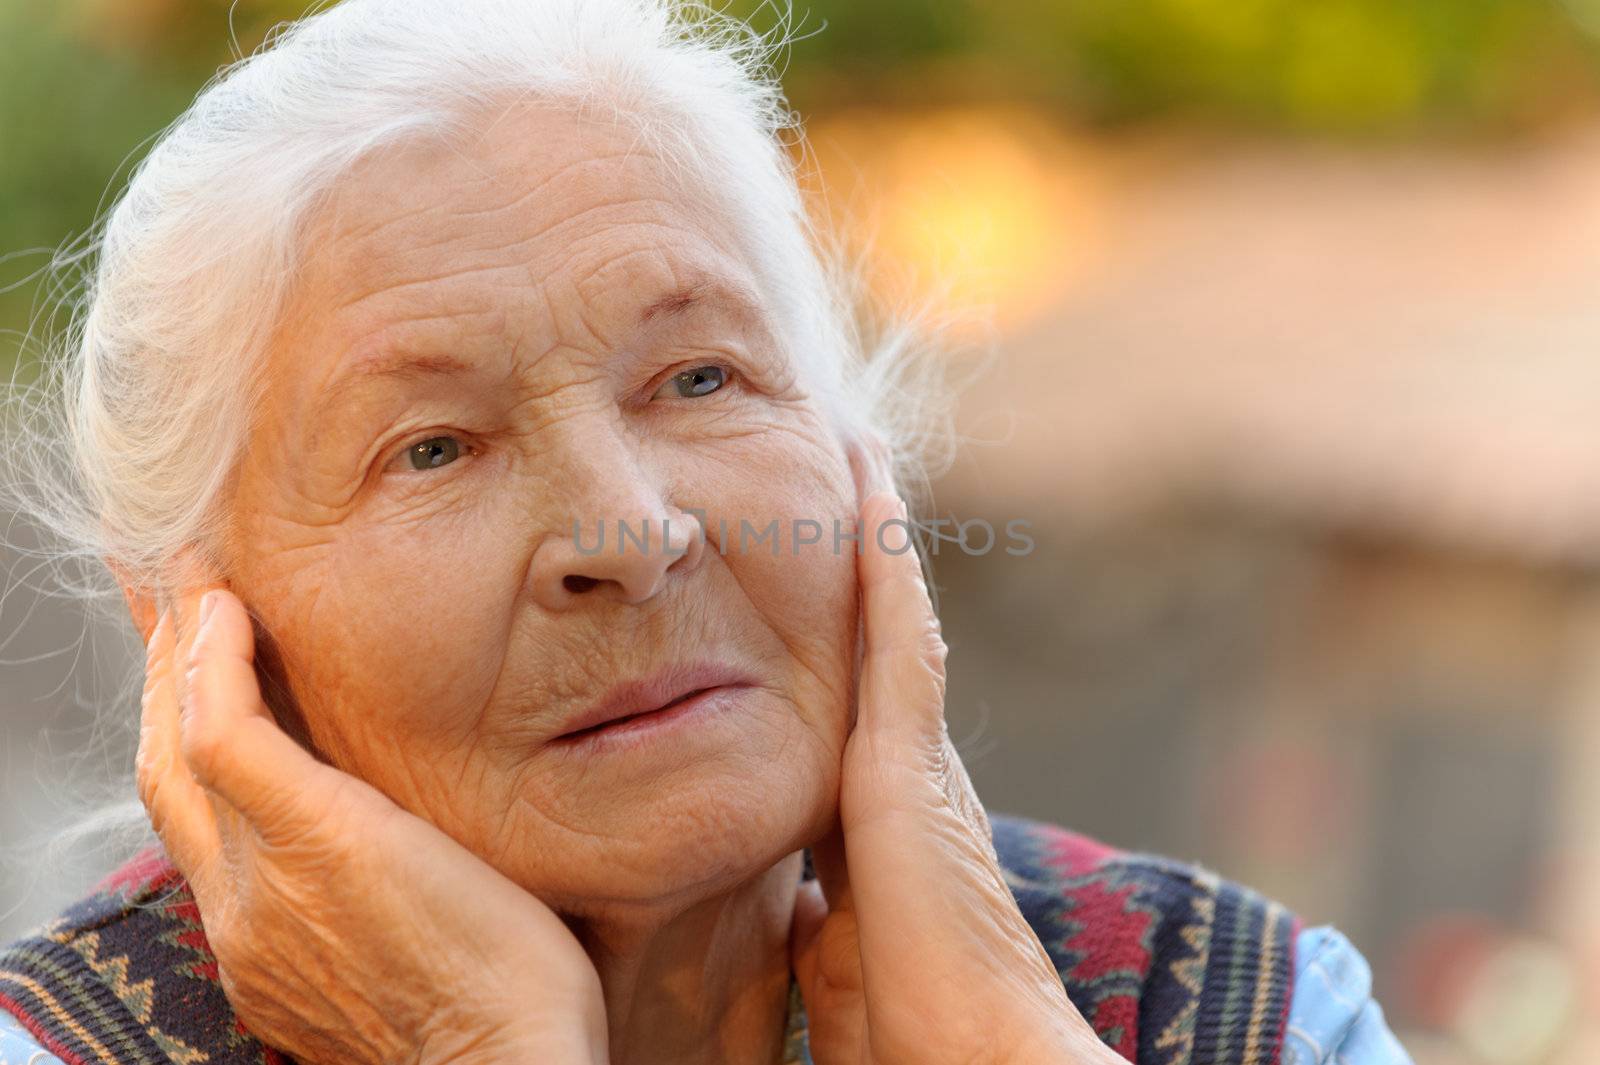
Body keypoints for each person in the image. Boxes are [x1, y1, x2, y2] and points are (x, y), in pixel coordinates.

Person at [0, 2, 1412, 1063]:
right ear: (193, 626)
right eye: (431, 446)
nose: (630, 530)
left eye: (700, 377)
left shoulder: (1250, 1010)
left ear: (863, 459)